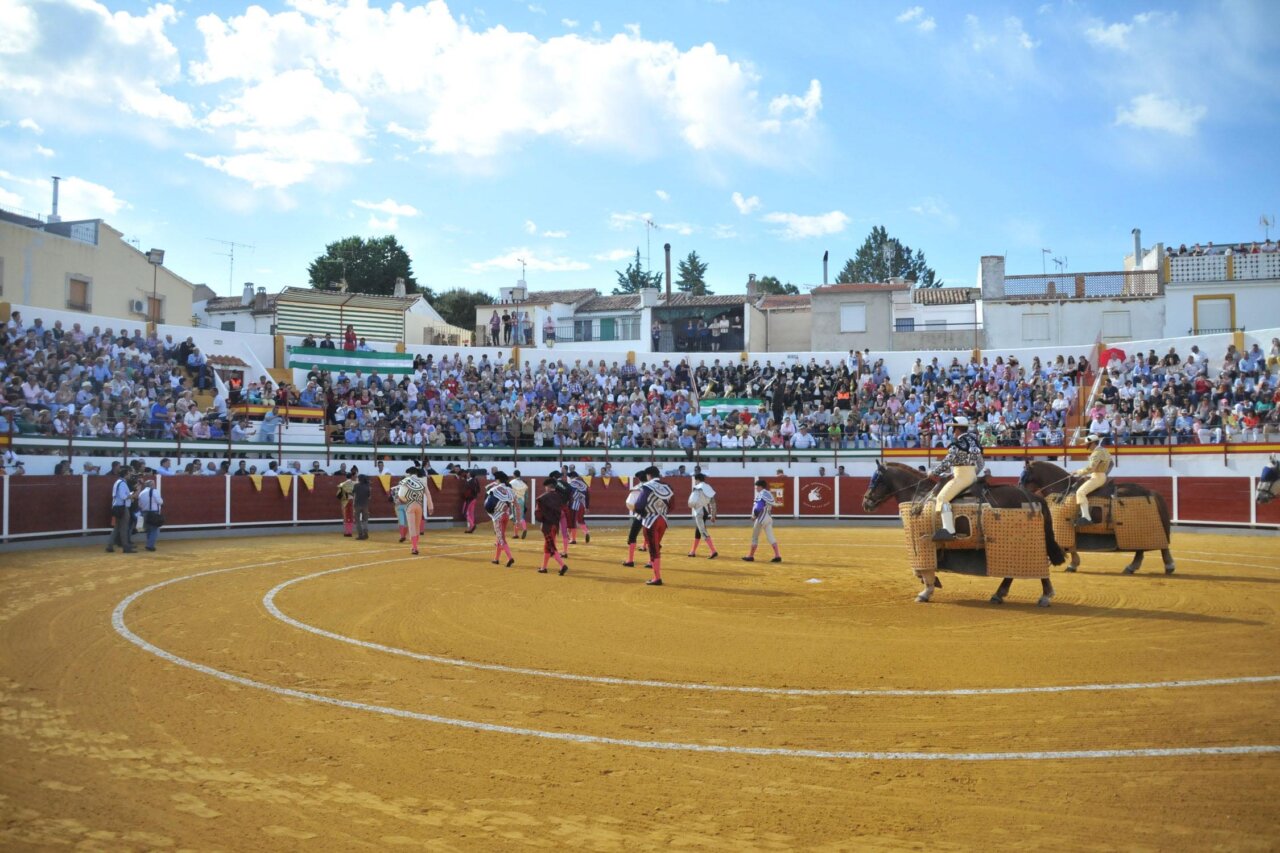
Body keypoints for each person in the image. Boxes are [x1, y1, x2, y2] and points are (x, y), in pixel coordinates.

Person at [929, 416, 984, 542]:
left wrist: (933, 473)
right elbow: (981, 464)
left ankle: (949, 530)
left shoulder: (957, 445)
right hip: (973, 477)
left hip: (961, 478)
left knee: (942, 498)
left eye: (953, 429)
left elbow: (946, 463)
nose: (953, 432)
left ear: (958, 430)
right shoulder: (975, 442)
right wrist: (972, 473)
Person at [632, 465, 673, 586]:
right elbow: (672, 505)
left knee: (653, 549)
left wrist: (643, 513)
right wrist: (662, 512)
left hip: (650, 521)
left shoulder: (647, 487)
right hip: (663, 521)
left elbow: (639, 505)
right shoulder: (668, 487)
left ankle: (657, 577)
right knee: (656, 547)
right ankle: (656, 576)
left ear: (648, 475)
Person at [1073, 433, 1112, 525]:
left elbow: (1091, 468)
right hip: (1100, 475)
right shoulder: (1104, 450)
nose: (1086, 446)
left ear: (1093, 443)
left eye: (1087, 444)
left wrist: (1077, 472)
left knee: (1080, 492)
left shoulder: (1097, 453)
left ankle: (1086, 517)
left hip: (1097, 477)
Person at [535, 477, 569, 575]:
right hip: (555, 526)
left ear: (548, 487)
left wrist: (542, 520)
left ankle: (563, 565)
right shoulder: (559, 497)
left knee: (551, 547)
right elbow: (562, 511)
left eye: (546, 487)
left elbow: (538, 513)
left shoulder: (542, 498)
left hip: (547, 526)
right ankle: (543, 568)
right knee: (547, 547)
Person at [744, 478, 782, 563]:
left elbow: (758, 507)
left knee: (754, 537)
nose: (756, 488)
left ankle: (750, 556)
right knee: (771, 537)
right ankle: (777, 555)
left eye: (757, 486)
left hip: (761, 518)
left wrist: (754, 516)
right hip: (768, 518)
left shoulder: (761, 494)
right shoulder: (769, 494)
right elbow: (774, 504)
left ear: (761, 487)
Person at [397, 466, 432, 555]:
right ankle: (415, 546)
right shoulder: (422, 481)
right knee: (417, 527)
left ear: (409, 473)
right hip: (419, 506)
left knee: (412, 527)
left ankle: (414, 548)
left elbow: (401, 495)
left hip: (410, 505)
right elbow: (428, 494)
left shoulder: (406, 481)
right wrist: (430, 507)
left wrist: (405, 500)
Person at [485, 471, 516, 566]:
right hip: (506, 515)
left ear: (498, 479)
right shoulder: (509, 490)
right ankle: (496, 559)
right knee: (500, 536)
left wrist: (494, 484)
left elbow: (486, 489)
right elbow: (514, 502)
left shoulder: (495, 488)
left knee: (501, 537)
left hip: (498, 516)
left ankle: (510, 557)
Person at [687, 471, 719, 558]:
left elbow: (691, 502)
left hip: (699, 512)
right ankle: (692, 551)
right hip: (705, 511)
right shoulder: (708, 487)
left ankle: (713, 551)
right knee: (698, 531)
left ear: (697, 479)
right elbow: (713, 503)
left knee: (702, 531)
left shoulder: (697, 488)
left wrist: (692, 506)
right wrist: (713, 515)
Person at [622, 469, 648, 567]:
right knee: (651, 537)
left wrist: (637, 511)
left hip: (640, 516)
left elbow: (629, 503)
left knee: (632, 537)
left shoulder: (636, 489)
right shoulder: (655, 487)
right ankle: (651, 561)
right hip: (653, 516)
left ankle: (630, 560)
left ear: (638, 479)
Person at [107, 470, 137, 553]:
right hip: (122, 508)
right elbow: (123, 496)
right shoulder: (122, 483)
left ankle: (110, 546)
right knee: (124, 528)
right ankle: (126, 547)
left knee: (117, 528)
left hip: (116, 507)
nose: (130, 475)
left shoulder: (117, 482)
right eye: (129, 474)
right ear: (126, 474)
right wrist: (132, 496)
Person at [137, 476, 164, 552]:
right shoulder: (155, 491)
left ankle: (149, 544)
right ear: (152, 485)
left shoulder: (141, 492)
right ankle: (150, 546)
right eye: (154, 484)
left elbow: (139, 504)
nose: (154, 485)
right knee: (154, 530)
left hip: (144, 512)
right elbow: (160, 502)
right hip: (153, 513)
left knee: (148, 529)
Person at [567, 470, 590, 544]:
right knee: (580, 520)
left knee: (572, 521)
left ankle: (572, 538)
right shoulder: (584, 484)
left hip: (574, 505)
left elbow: (569, 494)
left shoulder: (571, 483)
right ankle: (586, 532)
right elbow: (588, 496)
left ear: (572, 477)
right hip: (582, 505)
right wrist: (587, 507)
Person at [509, 469, 529, 539]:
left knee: (515, 517)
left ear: (514, 475)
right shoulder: (523, 483)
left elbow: (509, 491)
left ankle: (517, 533)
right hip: (522, 501)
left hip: (515, 501)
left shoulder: (511, 482)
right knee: (521, 516)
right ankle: (522, 529)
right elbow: (526, 494)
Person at [337, 469, 357, 537]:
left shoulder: (342, 484)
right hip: (351, 501)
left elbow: (338, 494)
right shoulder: (354, 483)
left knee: (346, 517)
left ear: (346, 477)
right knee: (350, 516)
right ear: (351, 477)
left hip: (345, 501)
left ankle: (347, 532)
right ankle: (349, 532)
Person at [459, 468, 480, 533]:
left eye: (468, 473)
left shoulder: (470, 482)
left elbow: (469, 490)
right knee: (471, 513)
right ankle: (471, 528)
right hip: (474, 498)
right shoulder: (475, 480)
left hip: (469, 499)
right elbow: (479, 490)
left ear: (470, 474)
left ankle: (472, 525)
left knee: (466, 513)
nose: (467, 474)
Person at [353, 474, 372, 539]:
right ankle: (365, 533)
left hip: (357, 505)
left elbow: (352, 493)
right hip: (365, 505)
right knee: (365, 520)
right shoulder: (367, 486)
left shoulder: (356, 486)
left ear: (359, 479)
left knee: (357, 520)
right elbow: (369, 496)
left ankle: (360, 534)